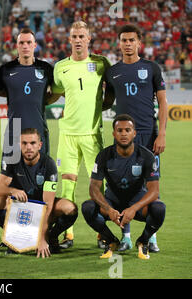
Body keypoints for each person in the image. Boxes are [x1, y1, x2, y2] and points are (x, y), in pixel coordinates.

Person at [104, 24, 168, 252]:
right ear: (119, 43)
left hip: (149, 136)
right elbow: (106, 102)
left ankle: (151, 237)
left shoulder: (151, 68)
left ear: (139, 43)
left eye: (132, 40)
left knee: (152, 186)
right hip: (123, 137)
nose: (128, 44)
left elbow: (162, 102)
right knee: (124, 187)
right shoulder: (112, 72)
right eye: (124, 40)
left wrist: (161, 133)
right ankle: (126, 236)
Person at [52, 21, 114, 248]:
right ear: (69, 39)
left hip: (92, 135)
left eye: (82, 36)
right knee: (67, 184)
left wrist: (100, 108)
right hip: (67, 134)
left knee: (98, 186)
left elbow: (111, 92)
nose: (78, 40)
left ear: (89, 39)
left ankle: (102, 234)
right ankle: (67, 234)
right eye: (74, 36)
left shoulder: (100, 63)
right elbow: (57, 91)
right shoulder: (60, 67)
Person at [82, 114, 166, 260]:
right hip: (112, 203)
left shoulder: (146, 156)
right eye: (119, 130)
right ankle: (110, 240)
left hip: (137, 204)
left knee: (159, 208)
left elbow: (154, 191)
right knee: (88, 207)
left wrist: (134, 209)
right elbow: (94, 188)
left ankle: (144, 240)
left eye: (127, 130)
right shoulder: (103, 156)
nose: (123, 134)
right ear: (114, 133)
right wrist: (108, 209)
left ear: (134, 133)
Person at [0, 128, 78, 257]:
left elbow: (48, 204)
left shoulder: (48, 164)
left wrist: (42, 238)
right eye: (24, 143)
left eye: (32, 143)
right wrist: (13, 190)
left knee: (69, 208)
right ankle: (14, 237)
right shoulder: (12, 159)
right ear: (19, 145)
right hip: (20, 209)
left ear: (40, 145)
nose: (28, 147)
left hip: (41, 208)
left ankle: (51, 237)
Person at [0, 27, 61, 161]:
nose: (25, 46)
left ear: (35, 45)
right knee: (8, 178)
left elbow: (59, 91)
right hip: (13, 133)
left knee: (39, 176)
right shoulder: (6, 70)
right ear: (17, 46)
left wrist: (45, 100)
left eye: (28, 42)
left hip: (39, 132)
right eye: (21, 43)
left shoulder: (46, 69)